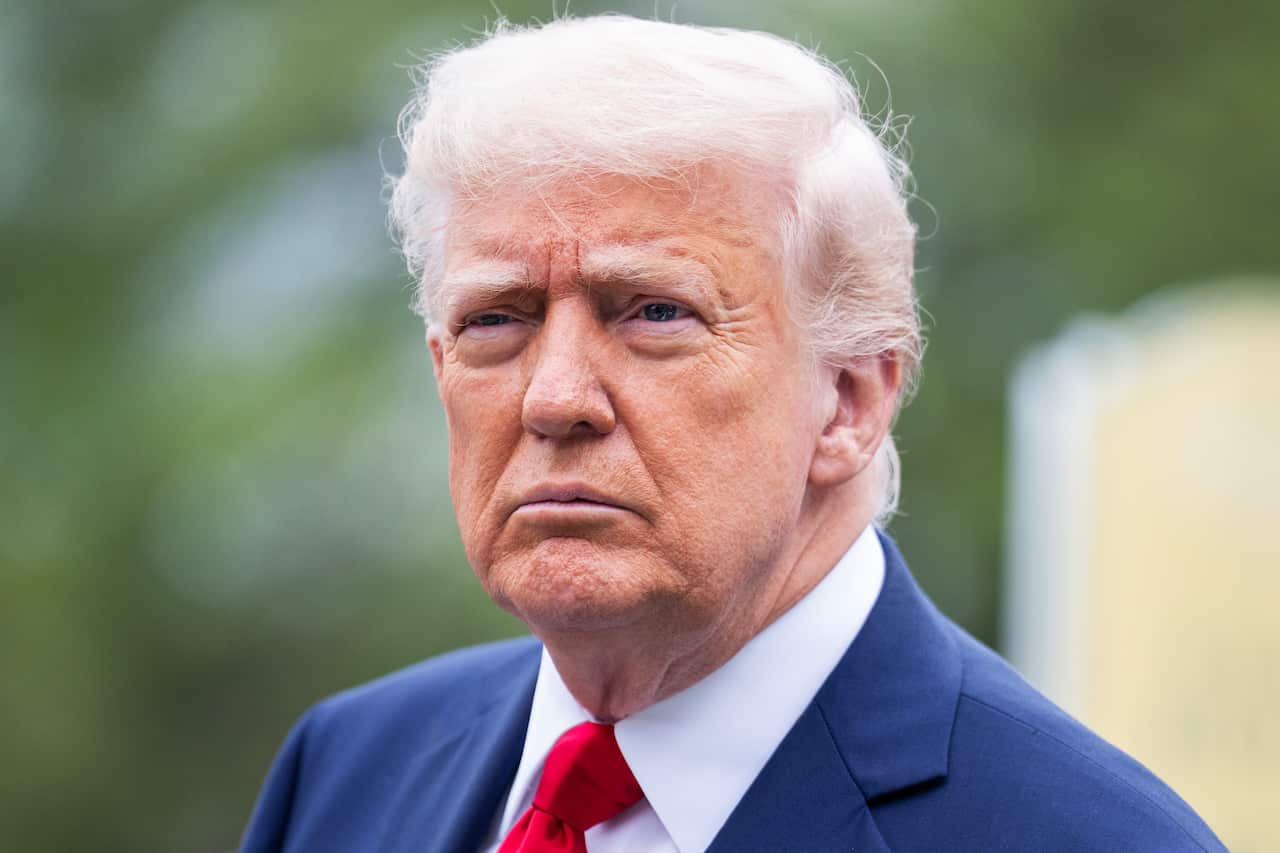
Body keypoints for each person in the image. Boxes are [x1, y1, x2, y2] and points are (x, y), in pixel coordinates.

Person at [241, 15, 1225, 853]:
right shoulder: (346, 774)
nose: (554, 397)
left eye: (654, 312)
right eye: (496, 318)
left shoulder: (1083, 836)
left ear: (848, 400)